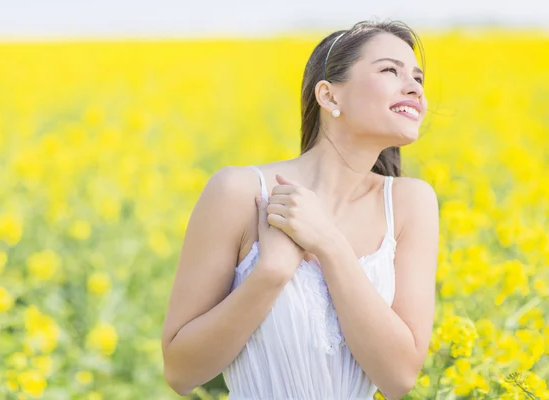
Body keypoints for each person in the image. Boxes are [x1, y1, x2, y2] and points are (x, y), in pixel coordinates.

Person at [161, 19, 439, 400]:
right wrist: (270, 274)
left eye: (418, 79)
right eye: (390, 70)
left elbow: (398, 378)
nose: (414, 87)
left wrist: (330, 244)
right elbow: (180, 372)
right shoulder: (239, 192)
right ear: (329, 96)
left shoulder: (410, 204)